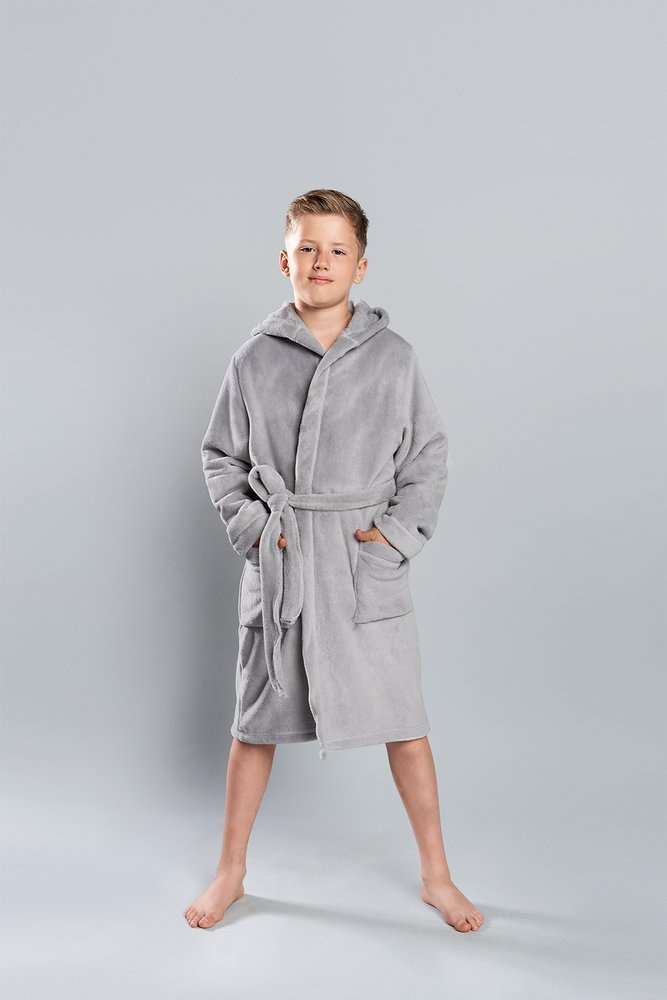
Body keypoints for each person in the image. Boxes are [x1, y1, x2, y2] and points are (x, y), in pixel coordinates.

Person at [184, 189, 484, 933]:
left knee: (405, 724)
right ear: (283, 260)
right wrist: (256, 527)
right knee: (253, 725)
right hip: (284, 559)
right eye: (307, 249)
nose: (321, 262)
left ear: (361, 266)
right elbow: (220, 456)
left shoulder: (393, 358)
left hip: (359, 566)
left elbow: (427, 456)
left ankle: (437, 876)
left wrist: (396, 536)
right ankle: (231, 870)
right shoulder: (254, 359)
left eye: (337, 250)